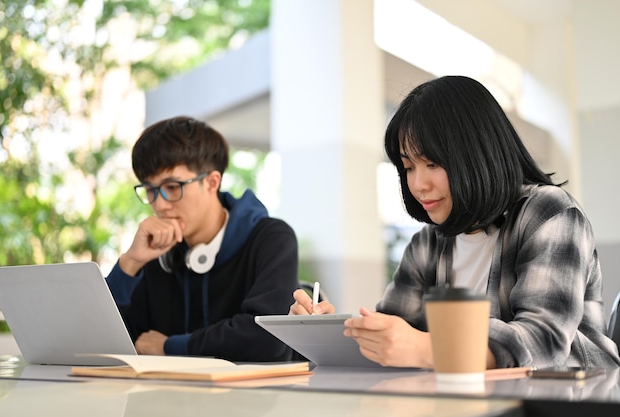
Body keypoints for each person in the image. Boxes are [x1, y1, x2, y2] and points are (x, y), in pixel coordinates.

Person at [291, 75, 620, 369]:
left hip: (573, 399)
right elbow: (396, 334)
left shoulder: (548, 213)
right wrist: (330, 332)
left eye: (432, 163)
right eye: (408, 167)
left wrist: (427, 348)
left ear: (478, 153)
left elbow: (544, 341)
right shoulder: (428, 242)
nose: (418, 184)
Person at [106, 116, 299, 362]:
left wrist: (169, 346)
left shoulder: (271, 239)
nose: (161, 204)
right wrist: (131, 263)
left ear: (212, 182)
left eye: (173, 187)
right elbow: (107, 340)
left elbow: (267, 338)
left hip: (253, 398)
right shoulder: (155, 253)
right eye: (150, 190)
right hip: (165, 398)